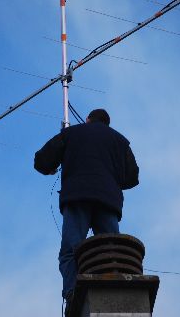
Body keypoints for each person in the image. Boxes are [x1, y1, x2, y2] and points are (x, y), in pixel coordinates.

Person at [34, 108, 139, 310]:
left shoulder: (72, 133)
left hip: (77, 197)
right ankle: (117, 291)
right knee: (111, 248)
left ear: (88, 119)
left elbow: (41, 160)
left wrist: (50, 169)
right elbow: (132, 177)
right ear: (107, 123)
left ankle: (72, 292)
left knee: (71, 250)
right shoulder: (120, 141)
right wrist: (111, 177)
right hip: (107, 201)